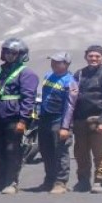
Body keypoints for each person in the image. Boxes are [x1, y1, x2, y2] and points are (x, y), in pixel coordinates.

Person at [0, 38, 39, 194]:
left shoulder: (27, 73)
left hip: (14, 117)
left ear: (21, 54)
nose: (9, 55)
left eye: (13, 53)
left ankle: (11, 181)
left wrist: (23, 119)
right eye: (7, 52)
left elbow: (28, 98)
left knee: (12, 149)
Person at [71, 45, 102, 194]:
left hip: (98, 119)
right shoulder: (79, 74)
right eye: (91, 56)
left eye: (97, 56)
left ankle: (99, 181)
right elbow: (72, 97)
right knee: (80, 153)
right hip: (79, 120)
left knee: (99, 153)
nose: (94, 59)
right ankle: (83, 181)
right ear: (86, 57)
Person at [34, 53, 78, 194]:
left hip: (59, 119)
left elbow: (70, 106)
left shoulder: (70, 81)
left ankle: (61, 182)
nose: (54, 64)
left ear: (66, 64)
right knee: (46, 151)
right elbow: (41, 96)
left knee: (60, 152)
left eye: (58, 62)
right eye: (52, 61)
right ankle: (49, 180)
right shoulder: (48, 76)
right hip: (45, 118)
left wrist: (65, 127)